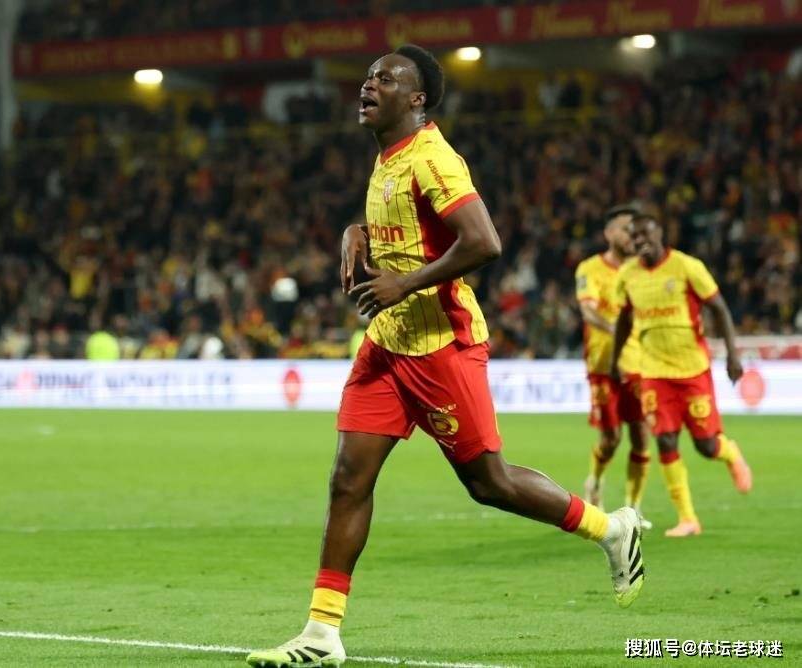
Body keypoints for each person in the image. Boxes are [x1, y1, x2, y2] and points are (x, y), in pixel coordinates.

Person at [247, 45, 644, 668]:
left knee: (490, 483)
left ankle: (610, 529)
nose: (368, 85)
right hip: (387, 346)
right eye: (368, 77)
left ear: (417, 99)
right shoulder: (388, 154)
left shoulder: (435, 158)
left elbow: (484, 241)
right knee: (348, 480)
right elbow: (405, 231)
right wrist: (355, 232)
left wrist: (405, 284)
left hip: (441, 345)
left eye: (385, 79)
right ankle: (322, 634)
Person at [611, 213, 753, 538]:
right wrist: (615, 360)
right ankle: (688, 518)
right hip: (653, 372)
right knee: (665, 439)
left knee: (705, 445)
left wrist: (732, 355)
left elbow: (719, 308)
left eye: (645, 234)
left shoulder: (687, 267)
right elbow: (624, 321)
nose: (640, 241)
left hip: (692, 370)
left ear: (660, 232)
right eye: (634, 237)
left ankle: (730, 452)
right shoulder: (628, 275)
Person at [575, 206, 652, 528]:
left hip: (639, 365)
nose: (630, 234)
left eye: (634, 228)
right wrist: (617, 331)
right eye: (624, 228)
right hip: (603, 363)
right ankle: (594, 482)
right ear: (609, 233)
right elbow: (588, 311)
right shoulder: (589, 268)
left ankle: (634, 508)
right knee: (610, 439)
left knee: (642, 436)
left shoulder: (642, 271)